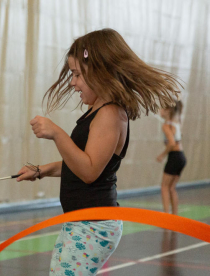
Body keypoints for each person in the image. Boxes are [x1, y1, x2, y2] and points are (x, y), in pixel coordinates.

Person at [16, 28, 181, 275]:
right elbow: (79, 161)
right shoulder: (98, 111)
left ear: (99, 72)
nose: (72, 83)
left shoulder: (111, 114)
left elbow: (89, 170)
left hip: (93, 224)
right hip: (79, 221)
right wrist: (40, 171)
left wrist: (57, 133)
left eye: (77, 75)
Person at [156, 101, 186, 215]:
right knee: (171, 187)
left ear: (168, 111)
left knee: (164, 187)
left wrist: (161, 155)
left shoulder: (166, 125)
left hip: (174, 157)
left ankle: (166, 216)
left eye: (162, 109)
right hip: (181, 157)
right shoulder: (176, 123)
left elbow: (172, 143)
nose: (159, 111)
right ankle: (175, 214)